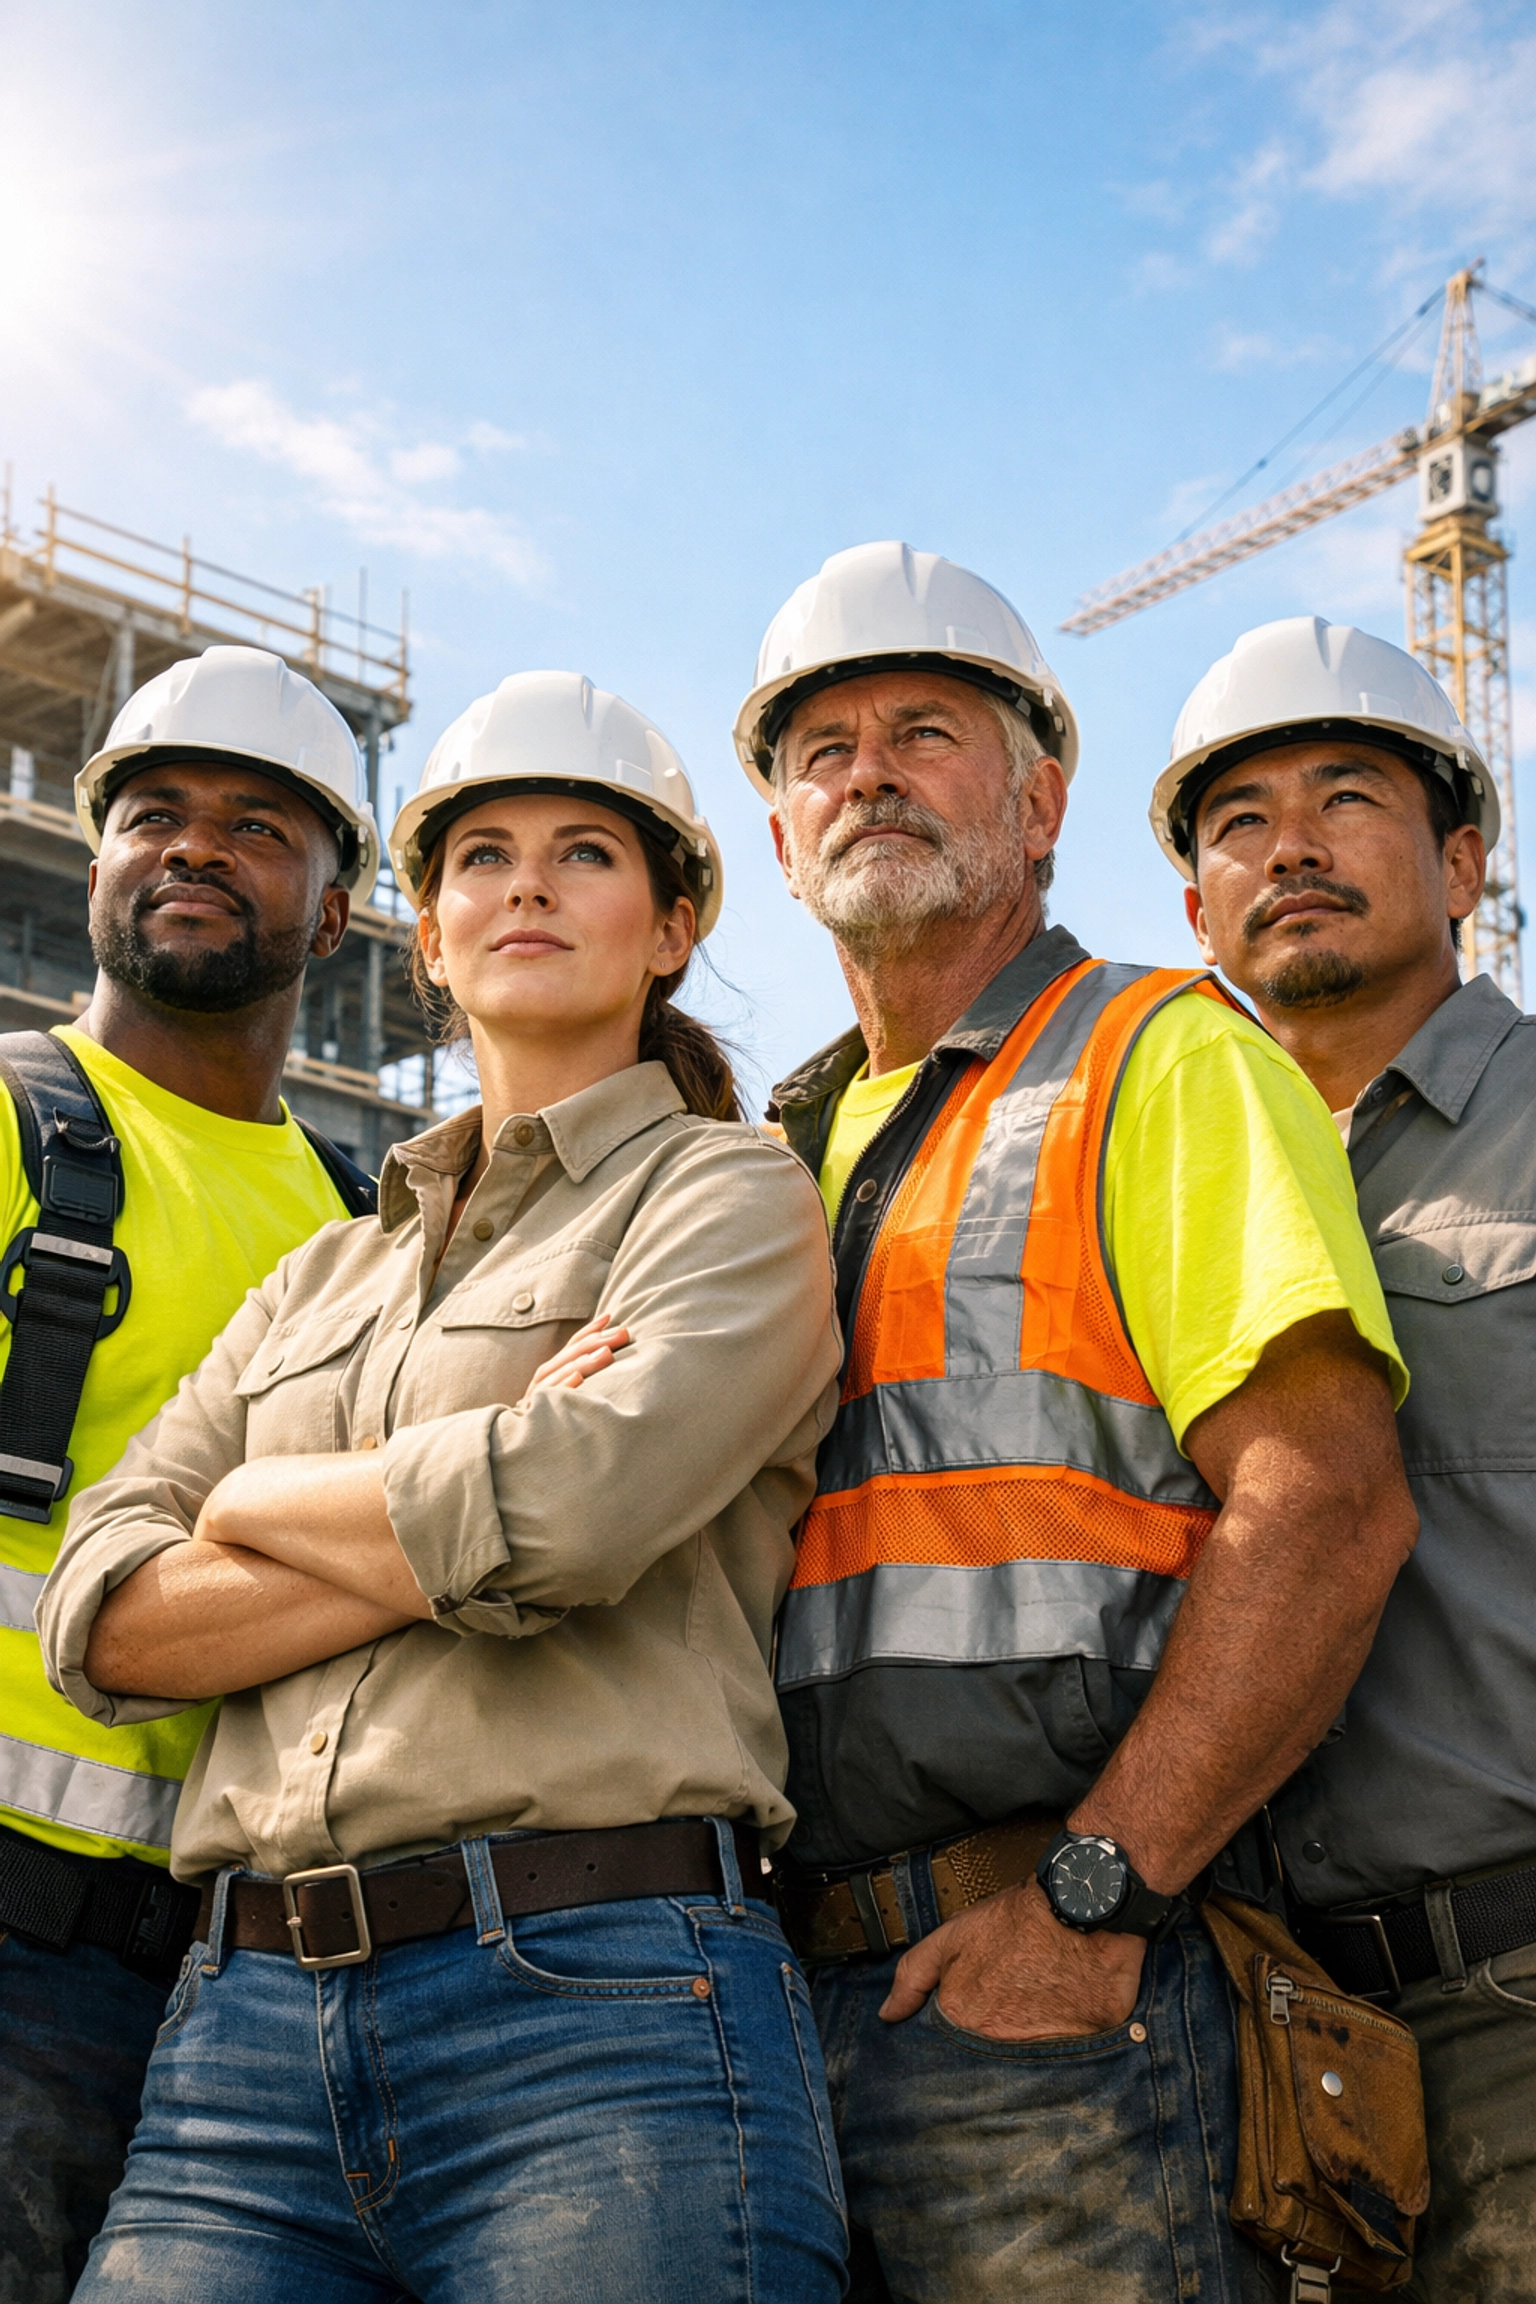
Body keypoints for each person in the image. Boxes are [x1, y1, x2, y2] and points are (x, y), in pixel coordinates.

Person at [38, 669, 848, 2304]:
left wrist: (260, 1501)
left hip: (606, 2017)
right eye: (480, 854)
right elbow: (101, 1618)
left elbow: (573, 1515)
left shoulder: (733, 1199)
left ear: (674, 921)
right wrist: (467, 1498)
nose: (527, 885)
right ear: (423, 935)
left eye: (585, 854)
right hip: (234, 2050)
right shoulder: (322, 1265)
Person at [733, 541, 1419, 2302]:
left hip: (1053, 2007)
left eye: (926, 731)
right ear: (779, 833)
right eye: (822, 750)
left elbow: (1327, 1506)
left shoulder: (1158, 1055)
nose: (867, 771)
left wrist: (1094, 1899)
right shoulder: (778, 1153)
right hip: (781, 1999)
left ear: (1042, 808)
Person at [1157, 613, 1536, 2302]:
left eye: (1346, 798)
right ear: (1195, 911)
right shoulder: (1172, 1183)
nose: (1289, 847)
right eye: (1240, 821)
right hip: (1260, 2041)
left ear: (1465, 861)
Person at [0, 644, 377, 2303]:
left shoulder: (373, 1226)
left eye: (256, 824)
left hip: (253, 1998)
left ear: (338, 910)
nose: (196, 847)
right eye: (155, 814)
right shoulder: (18, 1125)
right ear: (99, 870)